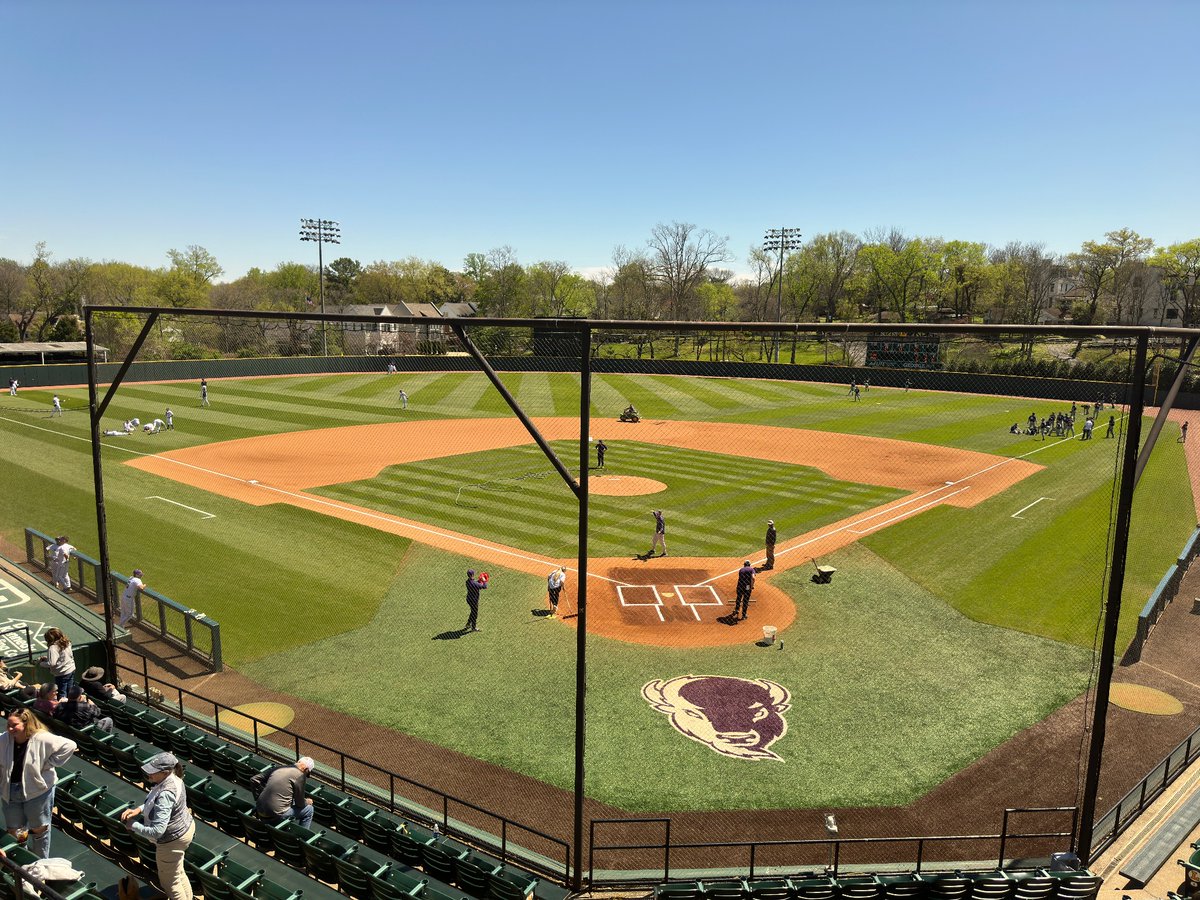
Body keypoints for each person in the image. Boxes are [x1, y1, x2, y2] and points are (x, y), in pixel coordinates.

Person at [0, 708, 76, 858]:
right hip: (10, 791)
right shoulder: (4, 739)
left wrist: (48, 763)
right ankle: (21, 860)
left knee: (39, 829)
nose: (9, 728)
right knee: (14, 831)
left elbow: (70, 745)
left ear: (26, 723)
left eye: (14, 725)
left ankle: (41, 864)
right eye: (8, 724)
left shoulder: (41, 737)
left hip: (38, 792)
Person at [121, 752, 195, 900]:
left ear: (164, 772)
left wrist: (133, 825)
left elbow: (157, 832)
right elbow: (155, 803)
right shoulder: (175, 779)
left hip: (171, 840)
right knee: (178, 872)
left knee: (171, 883)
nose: (149, 774)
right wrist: (139, 809)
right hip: (184, 830)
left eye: (153, 771)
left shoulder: (166, 793)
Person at [252, 757, 315, 829]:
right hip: (275, 816)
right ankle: (303, 838)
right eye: (307, 774)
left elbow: (254, 779)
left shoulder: (279, 768)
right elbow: (300, 804)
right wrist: (307, 802)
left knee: (290, 801)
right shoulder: (300, 775)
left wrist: (258, 798)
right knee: (309, 809)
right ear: (306, 769)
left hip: (260, 810)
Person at [39, 628, 75, 698]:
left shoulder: (53, 648)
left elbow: (52, 663)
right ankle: (72, 705)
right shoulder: (67, 642)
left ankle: (63, 707)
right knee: (70, 690)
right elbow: (64, 657)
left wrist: (41, 664)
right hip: (71, 669)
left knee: (62, 693)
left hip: (62, 673)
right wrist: (47, 658)